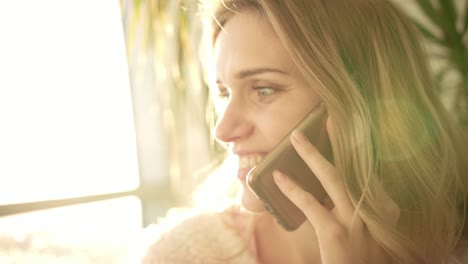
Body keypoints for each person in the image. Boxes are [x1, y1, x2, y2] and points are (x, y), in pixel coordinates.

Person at [136, 0, 468, 263]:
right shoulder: (178, 256)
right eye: (223, 92)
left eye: (263, 89)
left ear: (360, 106)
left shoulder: (450, 250)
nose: (224, 130)